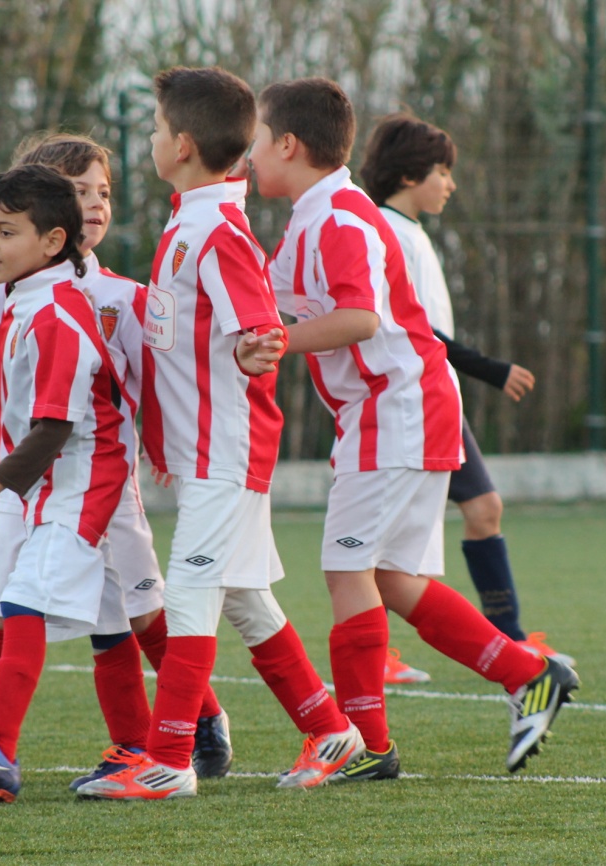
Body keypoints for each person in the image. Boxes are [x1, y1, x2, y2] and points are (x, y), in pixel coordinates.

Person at [246, 77, 579, 779]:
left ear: (287, 144)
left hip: (395, 411)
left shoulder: (339, 218)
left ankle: (368, 747)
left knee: (347, 570)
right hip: (400, 410)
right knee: (392, 579)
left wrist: (275, 342)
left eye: (254, 142)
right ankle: (526, 674)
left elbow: (360, 319)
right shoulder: (313, 218)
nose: (248, 157)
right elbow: (259, 302)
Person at [73, 66, 362, 801]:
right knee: (241, 597)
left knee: (190, 597)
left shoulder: (217, 230)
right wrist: (163, 442)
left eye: (155, 128)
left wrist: (259, 346)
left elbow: (257, 327)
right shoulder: (189, 221)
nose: (149, 138)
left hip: (226, 450)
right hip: (204, 450)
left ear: (183, 145)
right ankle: (330, 730)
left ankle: (170, 760)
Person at [0, 133, 232, 786]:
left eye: (101, 192)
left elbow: (129, 392)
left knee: (118, 612)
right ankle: (20, 745)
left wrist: (162, 447)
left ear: (47, 234)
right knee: (35, 614)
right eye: (78, 191)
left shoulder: (93, 301)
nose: (93, 205)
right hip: (32, 482)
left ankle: (179, 725)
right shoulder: (13, 288)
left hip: (80, 480)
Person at [0, 164, 130, 802]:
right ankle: (140, 746)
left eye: (5, 232)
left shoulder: (56, 314)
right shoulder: (23, 296)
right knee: (111, 622)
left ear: (53, 241)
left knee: (24, 603)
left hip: (80, 484)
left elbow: (55, 428)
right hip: (53, 484)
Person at [358, 113, 576, 685]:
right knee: (380, 542)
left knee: (482, 510)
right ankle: (387, 654)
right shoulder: (387, 233)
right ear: (410, 175)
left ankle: (511, 640)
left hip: (434, 399)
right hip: (409, 403)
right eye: (442, 172)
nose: (450, 184)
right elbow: (418, 332)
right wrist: (491, 369)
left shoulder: (410, 231)